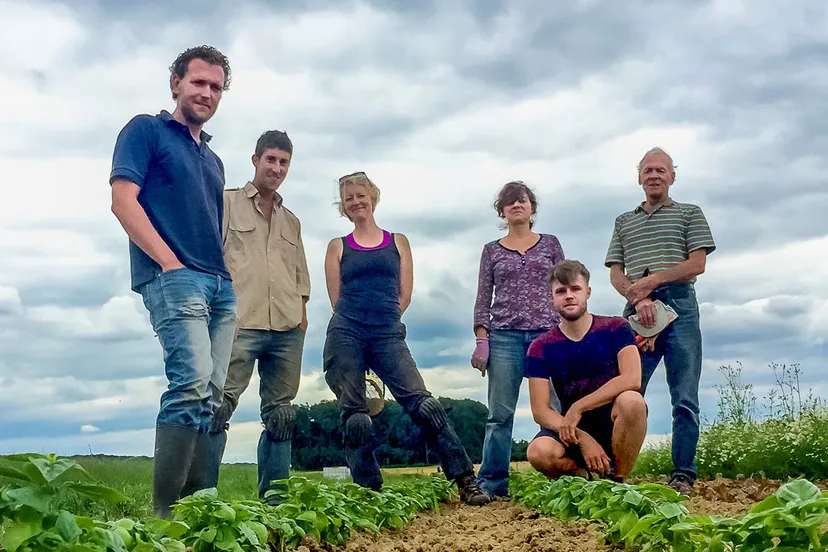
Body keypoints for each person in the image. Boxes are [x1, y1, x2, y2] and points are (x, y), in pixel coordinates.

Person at [109, 45, 236, 517]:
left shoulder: (214, 160)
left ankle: (197, 515)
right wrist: (169, 265)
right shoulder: (145, 130)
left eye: (216, 87)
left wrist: (225, 281)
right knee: (190, 385)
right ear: (176, 83)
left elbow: (211, 225)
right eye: (198, 82)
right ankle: (164, 519)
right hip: (176, 277)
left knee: (214, 397)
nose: (206, 92)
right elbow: (124, 201)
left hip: (220, 287)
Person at [322, 171, 490, 506]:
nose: (356, 201)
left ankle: (465, 479)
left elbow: (405, 294)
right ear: (343, 206)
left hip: (387, 331)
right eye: (348, 197)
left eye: (360, 194)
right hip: (346, 332)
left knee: (423, 405)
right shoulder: (337, 247)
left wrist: (384, 322)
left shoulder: (397, 241)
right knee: (356, 416)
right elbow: (336, 299)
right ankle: (368, 491)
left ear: (374, 196)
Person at [204, 130, 310, 504]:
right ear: (255, 160)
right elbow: (209, 256)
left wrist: (302, 314)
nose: (277, 168)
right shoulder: (227, 202)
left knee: (281, 415)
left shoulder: (292, 221)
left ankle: (275, 503)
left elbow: (299, 272)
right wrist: (218, 314)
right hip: (238, 322)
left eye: (283, 162)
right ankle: (203, 500)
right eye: (271, 159)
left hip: (286, 327)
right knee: (217, 407)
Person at [604, 147, 716, 495]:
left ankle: (683, 473)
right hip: (637, 311)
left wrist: (654, 282)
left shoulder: (690, 213)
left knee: (684, 396)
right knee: (627, 391)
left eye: (661, 170)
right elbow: (616, 273)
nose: (654, 175)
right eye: (648, 170)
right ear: (639, 177)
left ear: (672, 176)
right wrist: (640, 296)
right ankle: (615, 470)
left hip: (680, 306)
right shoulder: (624, 221)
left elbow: (697, 264)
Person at [471, 181, 565, 498]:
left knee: (554, 407)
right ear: (502, 211)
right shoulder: (492, 250)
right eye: (510, 202)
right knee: (499, 413)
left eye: (522, 200)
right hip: (505, 337)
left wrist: (569, 332)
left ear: (532, 208)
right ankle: (492, 483)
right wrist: (482, 338)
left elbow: (565, 287)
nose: (516, 205)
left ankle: (560, 477)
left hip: (548, 334)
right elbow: (483, 297)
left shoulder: (550, 244)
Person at [524, 260, 648, 483]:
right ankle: (586, 479)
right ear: (552, 298)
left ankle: (618, 481)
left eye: (575, 289)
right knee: (538, 452)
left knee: (633, 401)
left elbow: (632, 378)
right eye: (561, 291)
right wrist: (581, 437)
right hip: (569, 431)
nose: (569, 296)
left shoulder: (616, 328)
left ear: (588, 292)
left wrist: (578, 408)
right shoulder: (539, 347)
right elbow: (540, 410)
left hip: (612, 422)